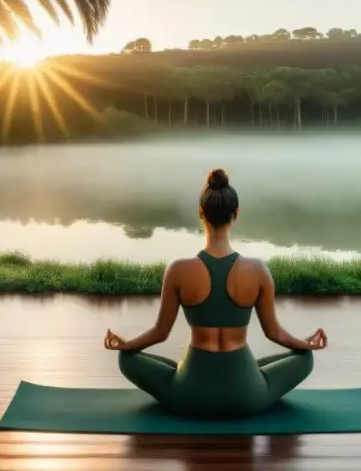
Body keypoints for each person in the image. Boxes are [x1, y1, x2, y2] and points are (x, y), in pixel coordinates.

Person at [104, 168, 327, 418]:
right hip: (247, 395)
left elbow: (160, 333)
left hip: (189, 394)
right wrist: (305, 344)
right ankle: (253, 374)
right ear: (236, 214)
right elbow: (274, 333)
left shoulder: (178, 270)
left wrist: (127, 344)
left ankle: (180, 373)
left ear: (201, 214)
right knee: (304, 358)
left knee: (127, 358)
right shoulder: (257, 270)